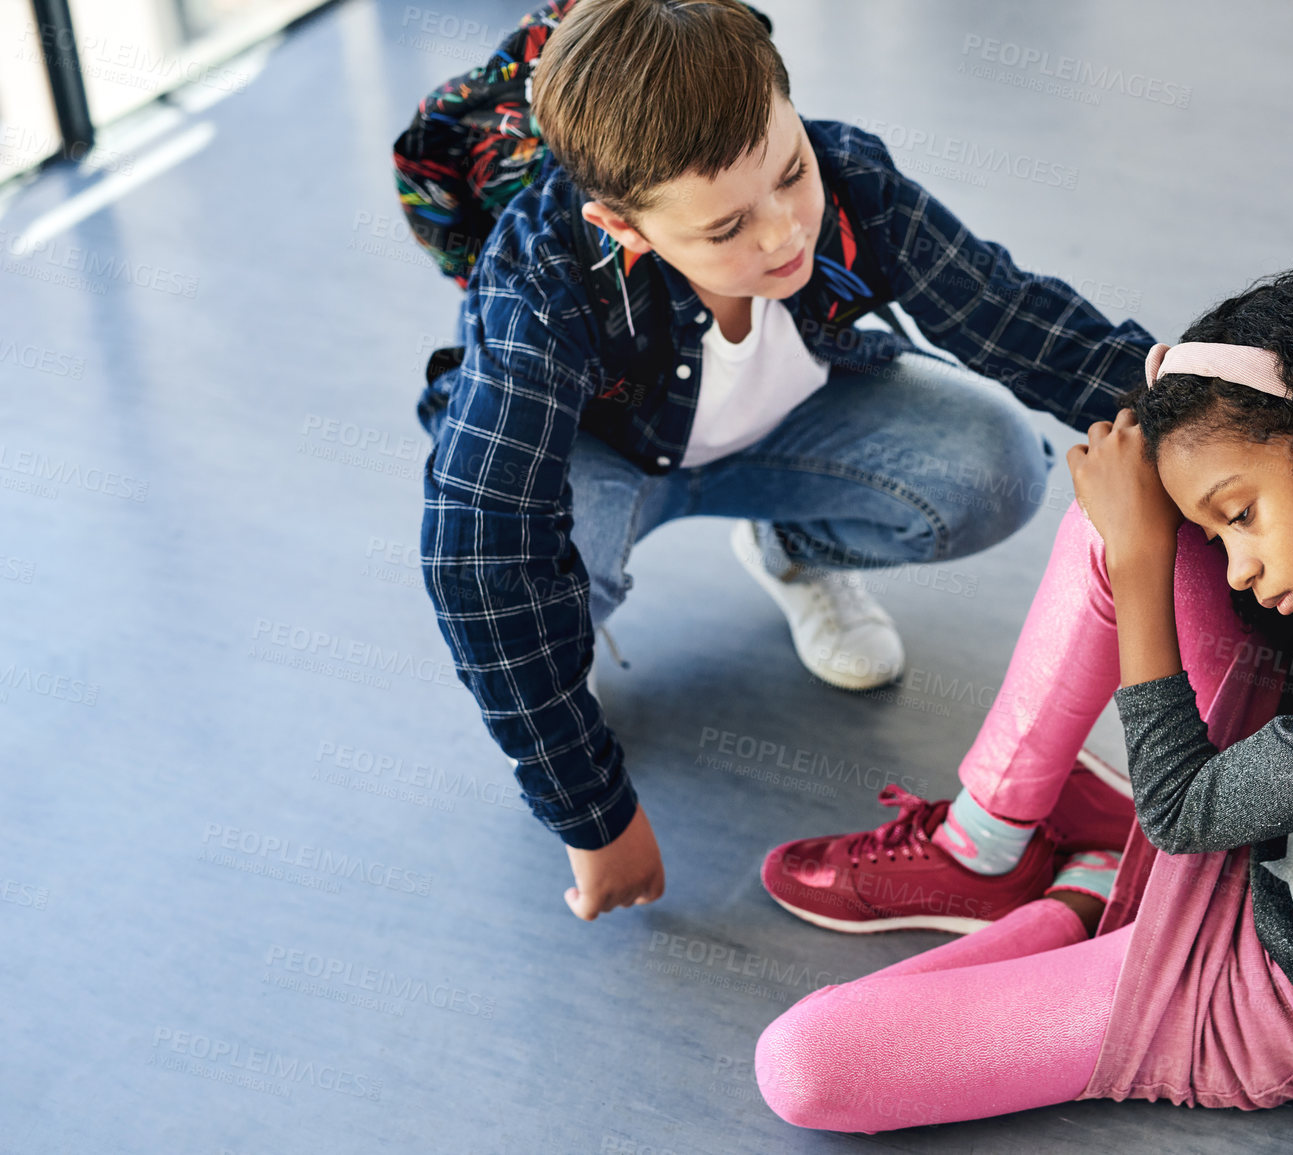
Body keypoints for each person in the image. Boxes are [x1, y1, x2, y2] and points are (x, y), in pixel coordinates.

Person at [754, 267, 1293, 1130]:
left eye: (1242, 514)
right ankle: (984, 846)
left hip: (1257, 1009)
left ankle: (1080, 904)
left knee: (802, 1064)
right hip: (1275, 853)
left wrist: (1145, 558)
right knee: (1111, 525)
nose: (1240, 570)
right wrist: (1151, 523)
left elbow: (1181, 813)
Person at [412, 0, 1156, 921]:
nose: (782, 234)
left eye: (789, 172)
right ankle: (572, 640)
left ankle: (790, 549)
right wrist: (591, 812)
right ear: (622, 224)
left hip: (772, 432)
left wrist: (1210, 422)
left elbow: (1022, 323)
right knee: (540, 586)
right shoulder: (539, 282)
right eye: (723, 230)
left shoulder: (845, 180)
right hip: (599, 472)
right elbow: (478, 556)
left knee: (996, 464)